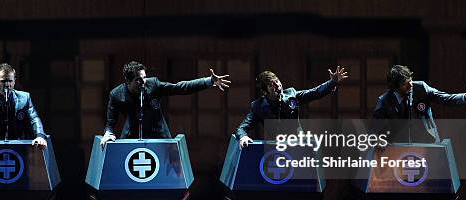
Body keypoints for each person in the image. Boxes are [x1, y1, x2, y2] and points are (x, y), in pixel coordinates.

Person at [100, 61, 231, 148]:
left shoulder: (154, 84)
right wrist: (108, 133)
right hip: (132, 136)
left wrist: (208, 81)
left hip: (159, 135)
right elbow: (111, 121)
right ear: (127, 81)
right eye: (138, 80)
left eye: (144, 77)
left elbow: (180, 87)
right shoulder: (116, 94)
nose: (143, 82)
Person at [235, 66, 349, 149]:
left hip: (300, 143)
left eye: (277, 81)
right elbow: (242, 128)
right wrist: (243, 137)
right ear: (265, 91)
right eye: (271, 85)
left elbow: (316, 92)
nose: (278, 86)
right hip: (277, 146)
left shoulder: (291, 94)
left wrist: (332, 82)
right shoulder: (258, 106)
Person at [372, 65, 466, 143]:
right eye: (405, 84)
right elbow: (375, 127)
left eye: (410, 80)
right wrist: (379, 139)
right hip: (399, 150)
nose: (410, 85)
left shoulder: (421, 87)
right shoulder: (384, 101)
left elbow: (445, 98)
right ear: (395, 87)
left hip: (428, 145)